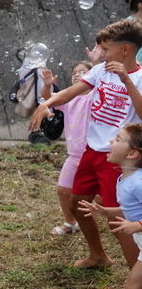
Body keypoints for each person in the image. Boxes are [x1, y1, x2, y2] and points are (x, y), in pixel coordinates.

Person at [29, 20, 142, 289]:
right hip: (92, 152)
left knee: (119, 223)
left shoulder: (139, 78)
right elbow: (71, 92)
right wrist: (47, 103)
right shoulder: (101, 70)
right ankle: (98, 255)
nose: (102, 54)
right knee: (77, 203)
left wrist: (127, 81)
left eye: (106, 49)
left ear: (126, 49)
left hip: (117, 158)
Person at [76, 124, 142, 289]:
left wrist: (137, 226)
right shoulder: (126, 177)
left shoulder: (138, 182)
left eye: (118, 139)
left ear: (132, 153)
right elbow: (131, 208)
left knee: (133, 288)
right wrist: (105, 211)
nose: (111, 141)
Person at [43, 62, 92, 235]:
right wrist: (48, 85)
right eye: (74, 72)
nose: (77, 75)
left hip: (94, 156)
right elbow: (48, 97)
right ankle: (70, 223)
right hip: (74, 156)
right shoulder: (68, 99)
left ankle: (124, 220)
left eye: (83, 72)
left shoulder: (94, 96)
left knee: (102, 197)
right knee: (63, 190)